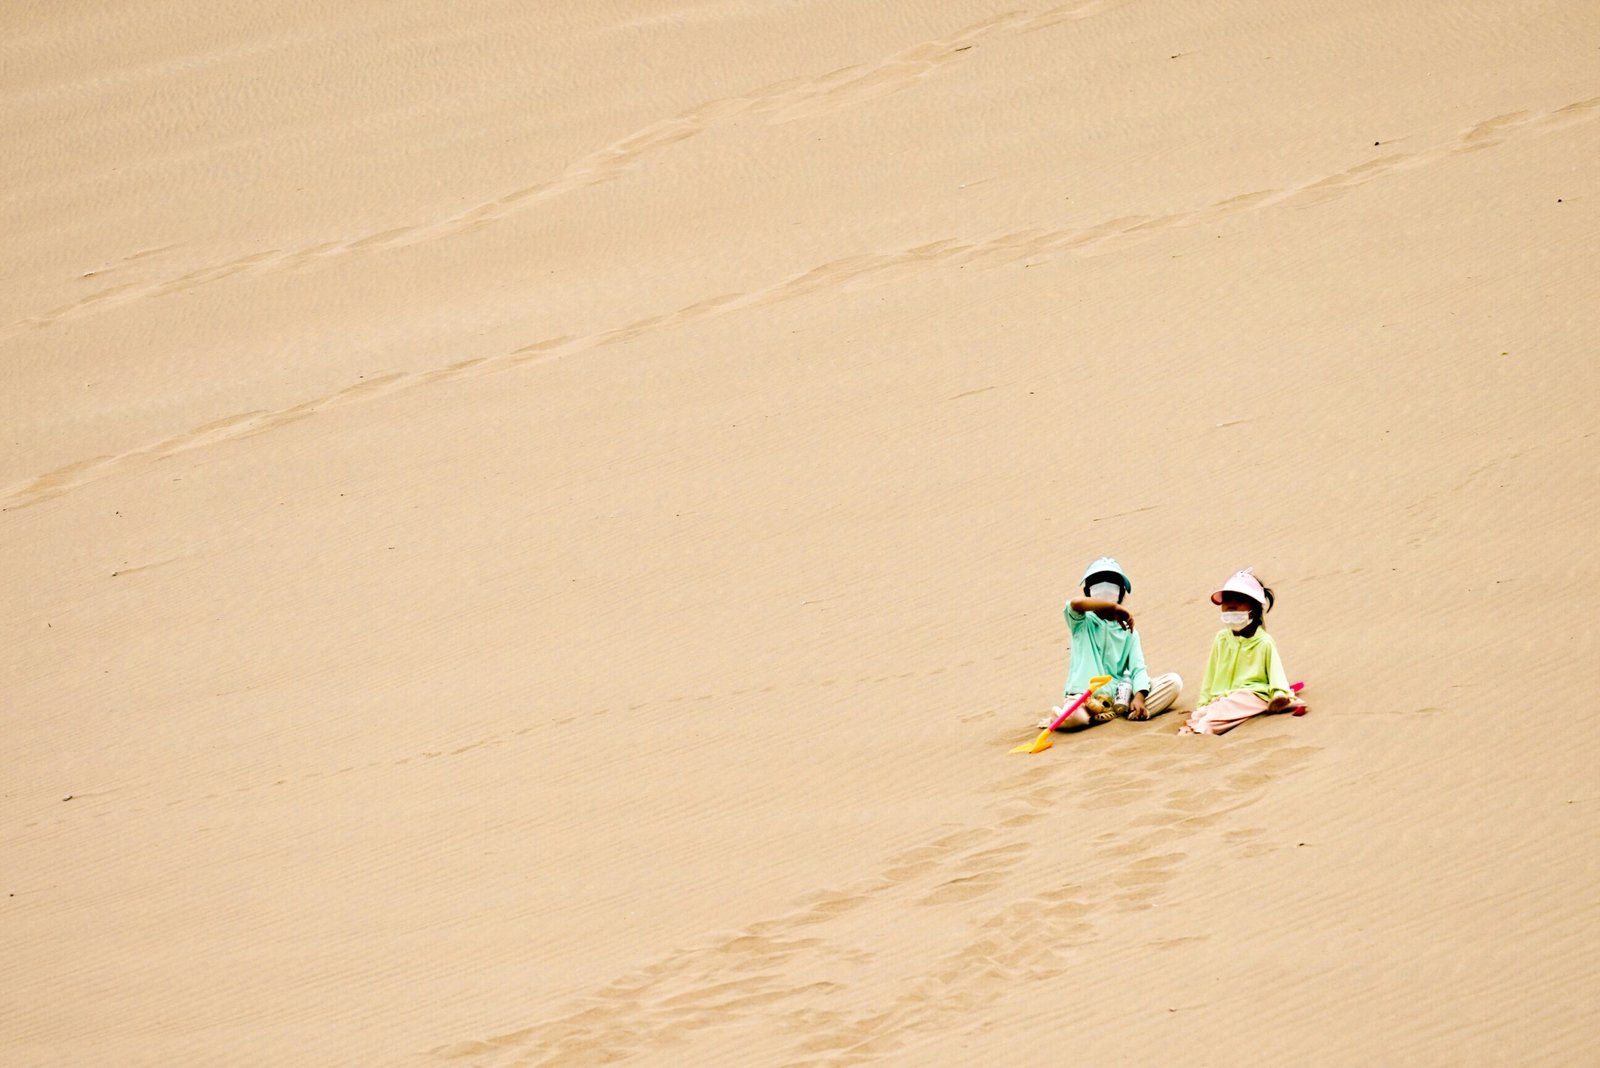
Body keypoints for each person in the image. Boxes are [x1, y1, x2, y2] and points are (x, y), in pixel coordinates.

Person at [1038, 556, 1183, 731]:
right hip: (1086, 697)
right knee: (1078, 716)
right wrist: (1111, 608)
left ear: (1121, 592)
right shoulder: (1082, 623)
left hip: (1119, 697)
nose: (1105, 587)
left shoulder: (1129, 632)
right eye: (1098, 582)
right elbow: (1075, 604)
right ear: (1088, 590)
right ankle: (1067, 716)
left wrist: (1139, 697)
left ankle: (1133, 710)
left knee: (1173, 682)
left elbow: (1138, 669)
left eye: (1112, 583)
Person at [1178, 567, 1302, 736]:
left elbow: (1276, 674)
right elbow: (1210, 675)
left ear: (1254, 608)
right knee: (1206, 712)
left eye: (1239, 601)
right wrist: (1203, 703)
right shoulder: (1221, 639)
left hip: (1253, 695)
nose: (1231, 605)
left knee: (1224, 709)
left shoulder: (1264, 642)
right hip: (1223, 697)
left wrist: (1279, 694)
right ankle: (1198, 724)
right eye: (1227, 601)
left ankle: (1202, 729)